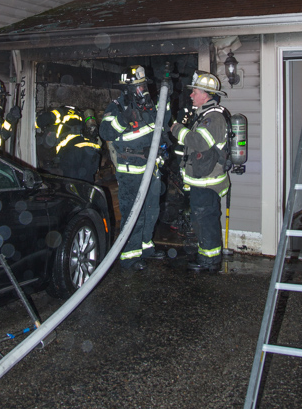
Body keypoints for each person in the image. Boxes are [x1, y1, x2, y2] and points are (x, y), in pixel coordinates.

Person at [99, 65, 169, 272]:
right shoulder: (117, 107)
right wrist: (125, 119)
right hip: (131, 170)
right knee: (133, 213)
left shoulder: (149, 106)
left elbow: (163, 123)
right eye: (137, 86)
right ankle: (129, 256)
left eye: (143, 85)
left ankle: (145, 247)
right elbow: (105, 132)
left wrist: (167, 100)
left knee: (151, 209)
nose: (142, 90)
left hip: (152, 168)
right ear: (127, 89)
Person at [170, 71, 230, 273]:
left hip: (208, 183)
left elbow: (199, 142)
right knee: (201, 220)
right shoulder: (204, 115)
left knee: (206, 220)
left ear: (205, 94)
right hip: (201, 182)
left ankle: (210, 261)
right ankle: (206, 254)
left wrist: (176, 129)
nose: (191, 95)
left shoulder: (213, 118)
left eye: (194, 92)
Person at [36, 106, 102, 183]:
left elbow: (41, 120)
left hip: (71, 150)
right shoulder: (82, 115)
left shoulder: (61, 112)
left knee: (71, 183)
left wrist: (35, 123)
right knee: (87, 182)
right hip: (89, 150)